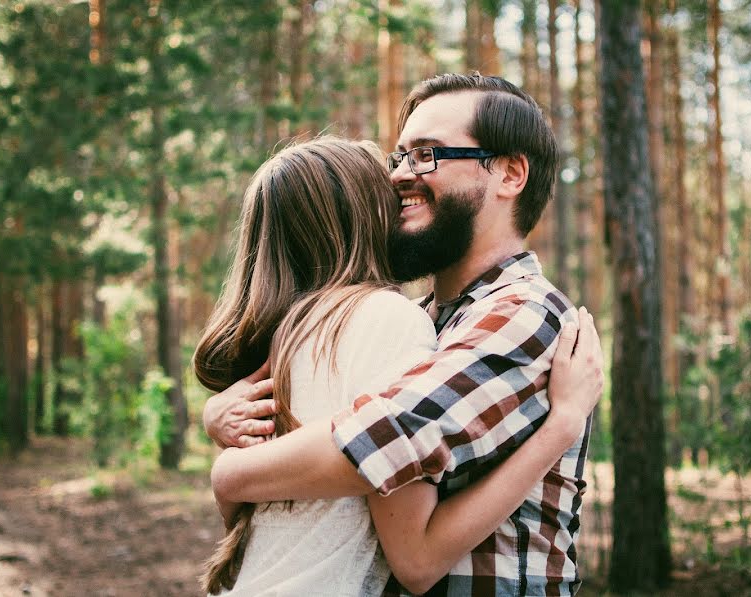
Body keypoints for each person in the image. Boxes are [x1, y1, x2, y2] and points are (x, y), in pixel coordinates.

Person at [202, 74, 603, 596]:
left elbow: (386, 440)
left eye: (427, 155)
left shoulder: (525, 313)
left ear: (509, 173)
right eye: (401, 158)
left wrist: (229, 472)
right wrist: (221, 418)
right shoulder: (416, 319)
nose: (399, 177)